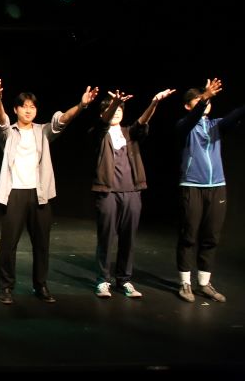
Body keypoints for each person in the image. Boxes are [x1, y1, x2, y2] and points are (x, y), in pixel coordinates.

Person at [0, 78, 98, 304]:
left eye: (32, 107)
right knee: (8, 245)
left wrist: (81, 105)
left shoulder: (43, 131)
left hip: (39, 194)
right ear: (16, 109)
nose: (28, 110)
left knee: (41, 244)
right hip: (14, 193)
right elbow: (0, 118)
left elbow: (63, 120)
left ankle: (40, 285)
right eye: (24, 106)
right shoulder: (9, 132)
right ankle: (6, 287)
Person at [90, 88, 175, 299]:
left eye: (120, 109)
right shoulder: (99, 133)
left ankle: (124, 280)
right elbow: (102, 123)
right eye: (113, 109)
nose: (117, 112)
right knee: (106, 238)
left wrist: (154, 102)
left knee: (128, 239)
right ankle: (103, 280)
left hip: (132, 192)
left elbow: (142, 121)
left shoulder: (129, 133)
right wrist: (114, 103)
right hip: (108, 192)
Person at [176, 77, 244, 303]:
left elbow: (234, 116)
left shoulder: (216, 124)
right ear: (188, 106)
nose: (204, 103)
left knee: (211, 236)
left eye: (205, 100)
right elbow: (191, 120)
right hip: (192, 186)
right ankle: (185, 283)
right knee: (188, 235)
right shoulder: (184, 125)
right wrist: (204, 97)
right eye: (197, 101)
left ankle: (204, 283)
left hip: (217, 187)